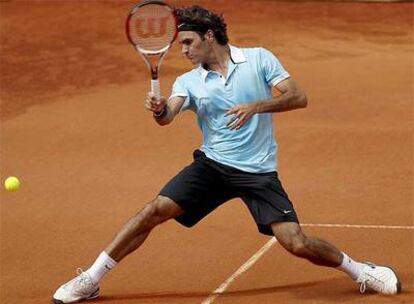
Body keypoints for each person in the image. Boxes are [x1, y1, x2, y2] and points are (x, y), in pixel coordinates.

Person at [52, 5, 401, 304]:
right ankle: (92, 279)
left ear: (208, 36)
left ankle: (361, 271)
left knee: (296, 243)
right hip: (213, 166)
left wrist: (257, 106)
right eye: (180, 44)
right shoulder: (188, 82)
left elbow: (298, 96)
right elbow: (167, 117)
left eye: (188, 42)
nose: (183, 50)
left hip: (258, 172)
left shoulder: (259, 59)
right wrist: (159, 109)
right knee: (153, 211)